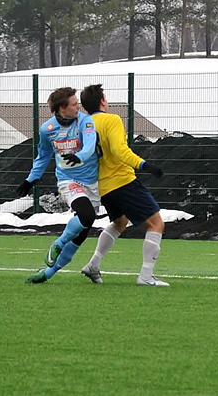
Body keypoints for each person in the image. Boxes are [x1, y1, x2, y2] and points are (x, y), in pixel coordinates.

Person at [79, 84, 169, 286]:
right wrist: (144, 165)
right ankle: (145, 276)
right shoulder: (111, 119)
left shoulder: (84, 124)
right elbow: (120, 150)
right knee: (156, 224)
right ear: (102, 101)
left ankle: (93, 264)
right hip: (122, 181)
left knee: (120, 222)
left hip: (103, 186)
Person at [18, 87, 99, 284]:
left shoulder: (85, 121)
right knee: (86, 215)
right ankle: (58, 243)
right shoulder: (47, 129)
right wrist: (31, 179)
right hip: (68, 180)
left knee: (83, 232)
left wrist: (78, 156)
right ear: (62, 108)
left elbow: (89, 146)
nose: (78, 106)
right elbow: (43, 155)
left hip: (92, 182)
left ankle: (48, 273)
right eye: (73, 104)